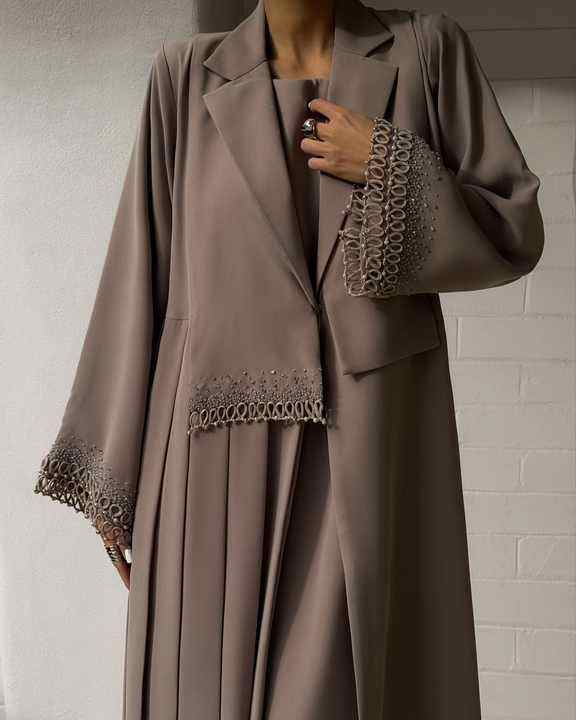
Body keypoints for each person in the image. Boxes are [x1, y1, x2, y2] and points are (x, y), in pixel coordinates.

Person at [34, 0, 545, 718]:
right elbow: (140, 270)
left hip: (369, 443)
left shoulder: (427, 54)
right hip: (210, 454)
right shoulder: (183, 76)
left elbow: (513, 227)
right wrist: (113, 469)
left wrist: (393, 163)